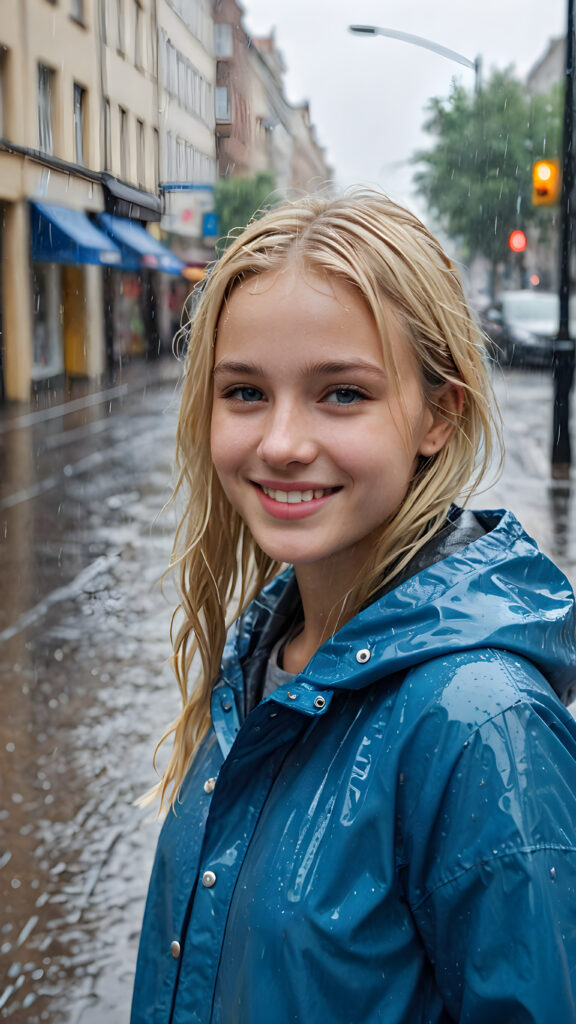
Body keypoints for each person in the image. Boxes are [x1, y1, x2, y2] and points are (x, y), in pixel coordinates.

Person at [130, 190, 576, 1024]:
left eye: (342, 394)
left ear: (438, 415)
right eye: (245, 393)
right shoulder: (264, 663)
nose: (282, 442)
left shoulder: (480, 724)